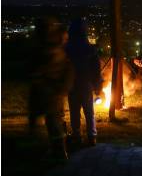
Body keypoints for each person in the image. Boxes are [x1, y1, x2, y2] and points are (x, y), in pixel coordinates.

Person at [29, 17, 74, 160]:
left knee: (54, 122)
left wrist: (59, 88)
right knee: (52, 122)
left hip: (51, 92)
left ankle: (60, 152)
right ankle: (55, 149)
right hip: (48, 92)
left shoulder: (52, 49)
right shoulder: (46, 47)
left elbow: (65, 68)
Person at [66, 18, 102, 146]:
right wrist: (98, 86)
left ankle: (77, 135)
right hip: (86, 85)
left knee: (74, 112)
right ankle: (92, 136)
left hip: (72, 85)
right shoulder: (90, 49)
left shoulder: (67, 49)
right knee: (89, 112)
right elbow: (96, 70)